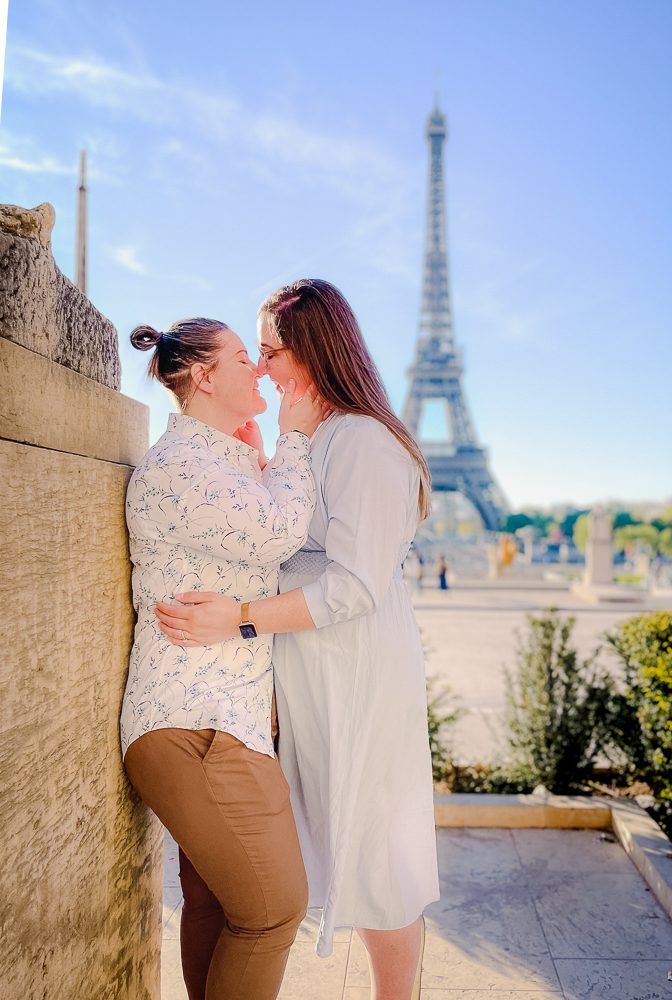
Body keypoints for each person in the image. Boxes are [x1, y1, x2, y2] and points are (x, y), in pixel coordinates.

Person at [154, 280, 440, 1000]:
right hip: (308, 669)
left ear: (311, 352)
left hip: (356, 671)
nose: (264, 369)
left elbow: (351, 588)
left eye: (273, 352)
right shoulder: (315, 436)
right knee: (337, 839)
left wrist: (239, 615)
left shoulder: (366, 443)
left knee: (379, 849)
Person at [121, 317, 326, 1000]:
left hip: (209, 725)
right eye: (245, 359)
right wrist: (295, 438)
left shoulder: (208, 461)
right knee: (273, 911)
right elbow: (280, 530)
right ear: (204, 377)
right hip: (200, 729)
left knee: (219, 907)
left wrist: (261, 451)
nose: (261, 370)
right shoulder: (182, 467)